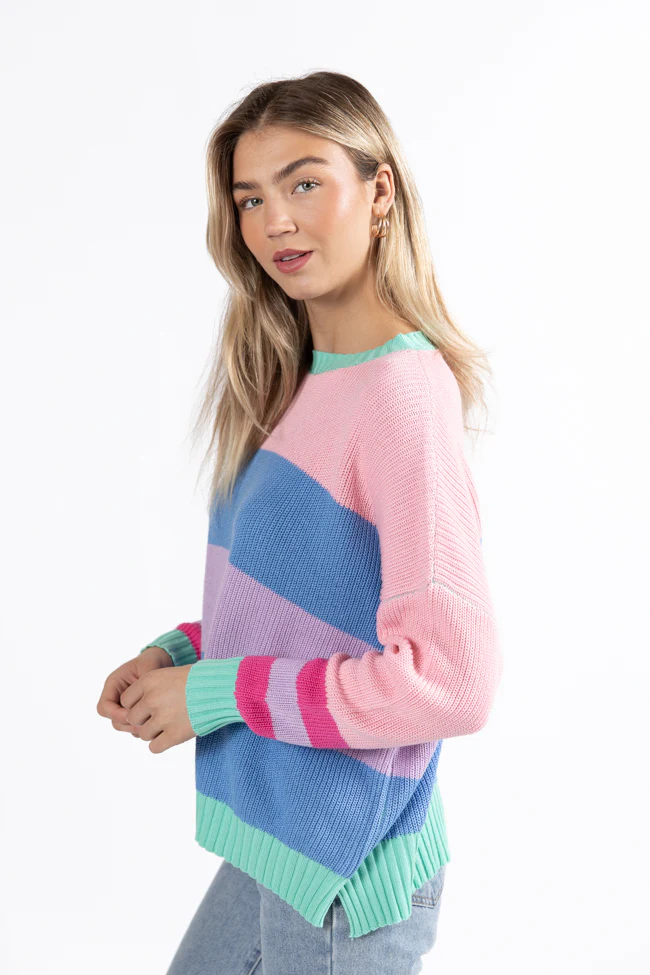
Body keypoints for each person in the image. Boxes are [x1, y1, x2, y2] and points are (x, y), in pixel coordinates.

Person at [97, 70, 504, 974]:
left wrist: (214, 693)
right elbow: (312, 614)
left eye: (305, 182)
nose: (275, 220)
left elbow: (451, 679)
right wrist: (182, 652)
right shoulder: (297, 382)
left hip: (348, 871)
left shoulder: (402, 394)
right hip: (286, 839)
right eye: (251, 198)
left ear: (380, 191)